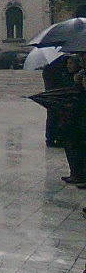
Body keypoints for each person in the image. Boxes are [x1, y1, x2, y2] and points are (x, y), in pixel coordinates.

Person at [62, 56, 84, 185]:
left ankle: (78, 174)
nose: (69, 66)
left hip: (77, 118)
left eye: (71, 63)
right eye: (68, 63)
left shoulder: (79, 78)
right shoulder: (68, 77)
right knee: (70, 146)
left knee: (76, 147)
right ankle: (74, 173)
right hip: (70, 118)